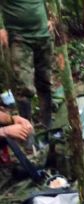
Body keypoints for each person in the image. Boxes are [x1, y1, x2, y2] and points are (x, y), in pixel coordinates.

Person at [0, 1, 53, 129]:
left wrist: (51, 17)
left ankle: (48, 124)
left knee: (45, 81)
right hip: (19, 38)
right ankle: (26, 131)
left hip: (43, 34)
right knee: (24, 87)